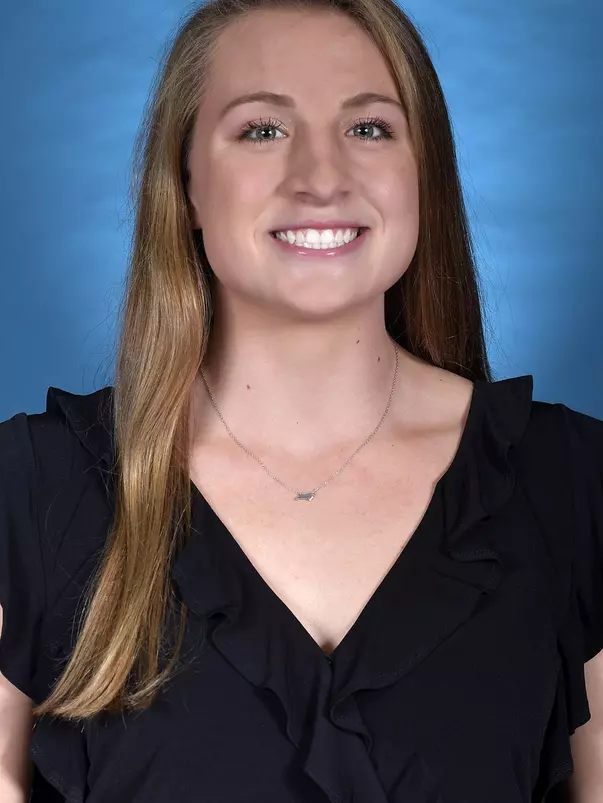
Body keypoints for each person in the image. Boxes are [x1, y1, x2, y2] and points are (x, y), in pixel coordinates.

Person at [1, 0, 602, 800]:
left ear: (423, 173)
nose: (321, 177)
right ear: (183, 184)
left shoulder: (575, 485)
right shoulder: (28, 490)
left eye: (369, 128)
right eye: (262, 130)